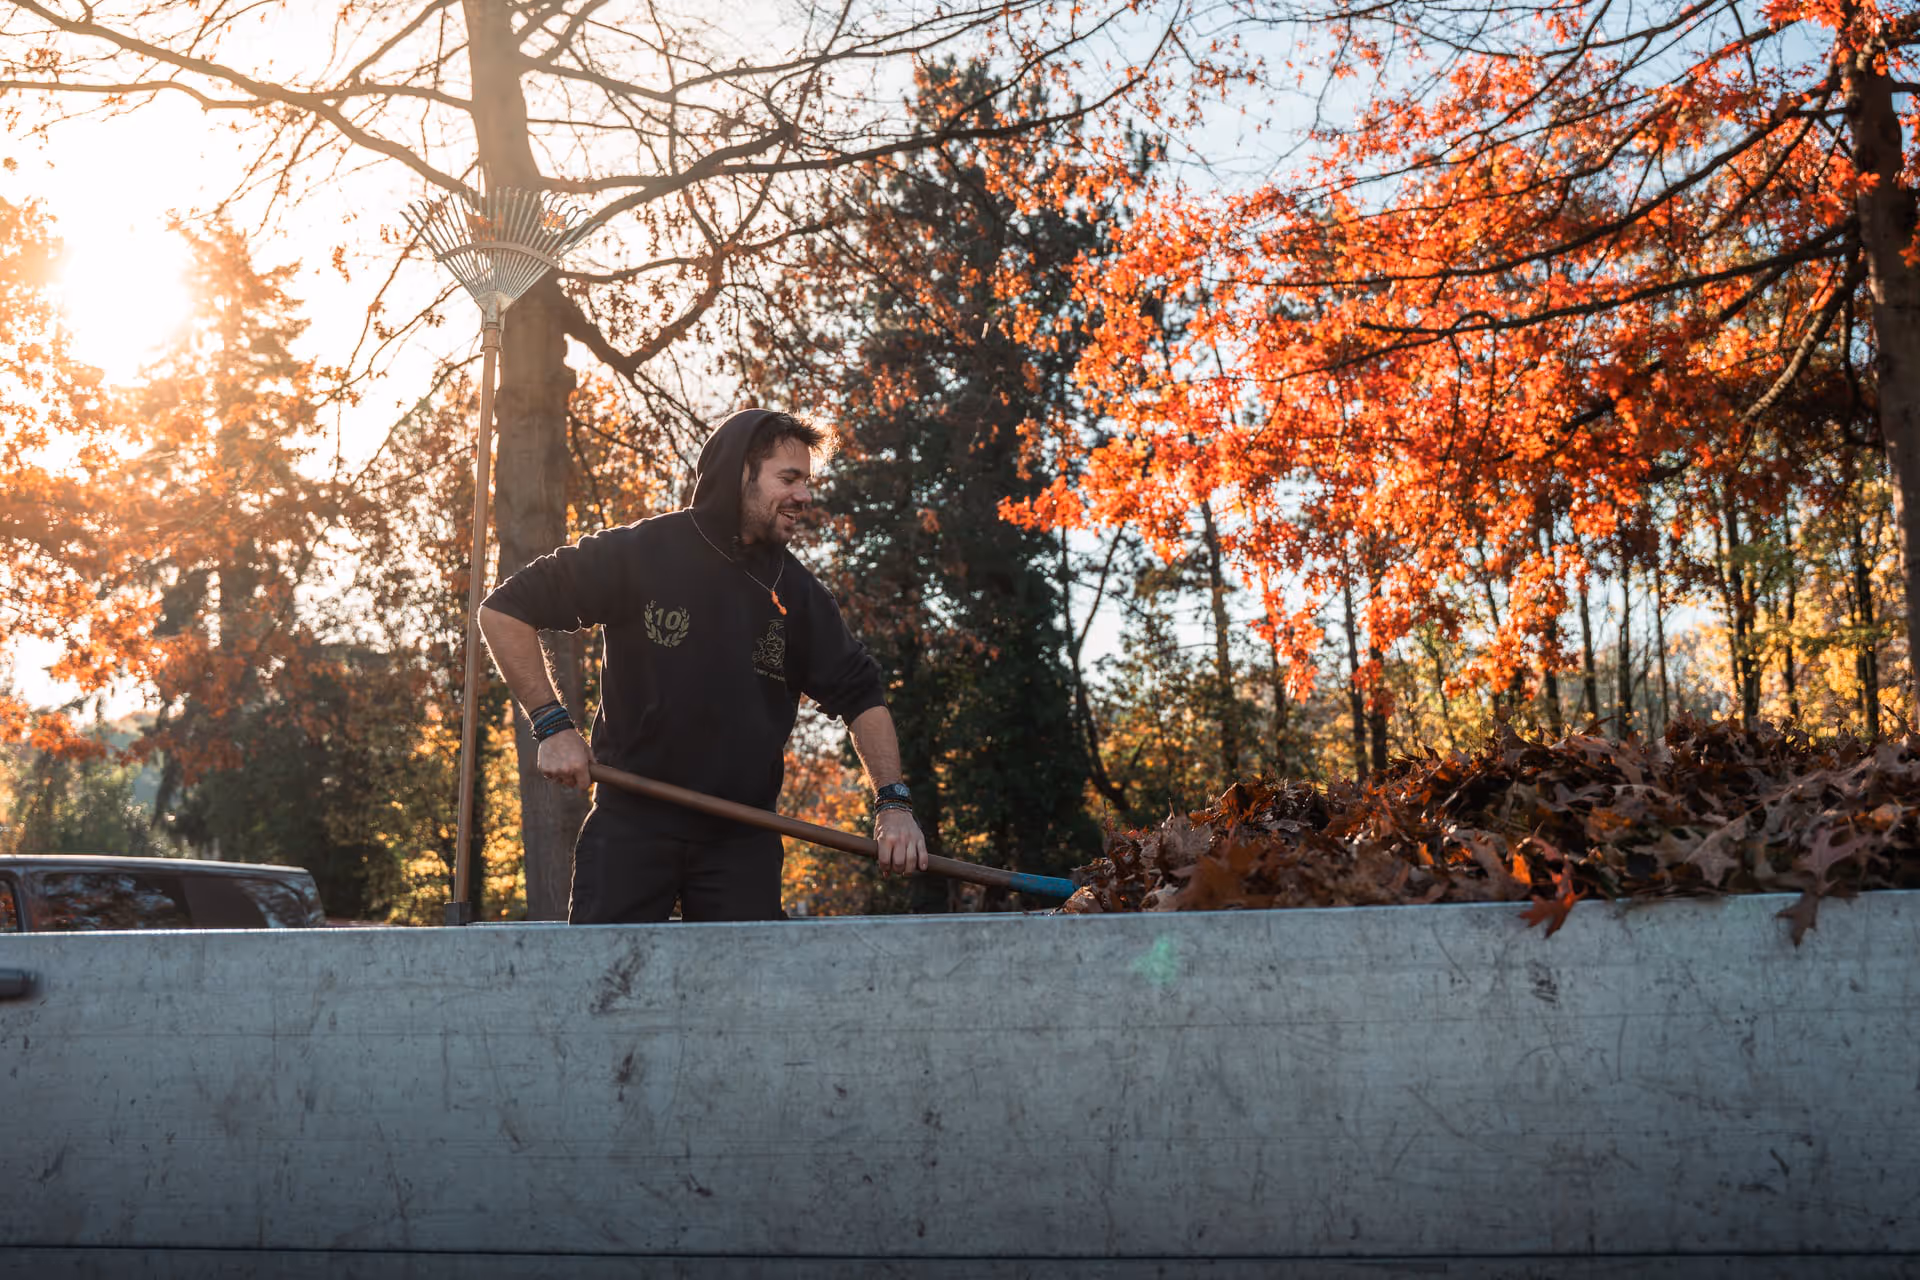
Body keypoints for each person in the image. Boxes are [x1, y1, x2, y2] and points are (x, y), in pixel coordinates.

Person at [476, 408, 928, 923]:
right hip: (631, 821)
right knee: (601, 992)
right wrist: (551, 725)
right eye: (789, 478)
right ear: (741, 473)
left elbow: (862, 696)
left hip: (742, 837)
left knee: (744, 1001)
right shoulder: (641, 552)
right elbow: (503, 610)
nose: (805, 496)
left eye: (807, 481)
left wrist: (893, 805)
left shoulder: (801, 596)